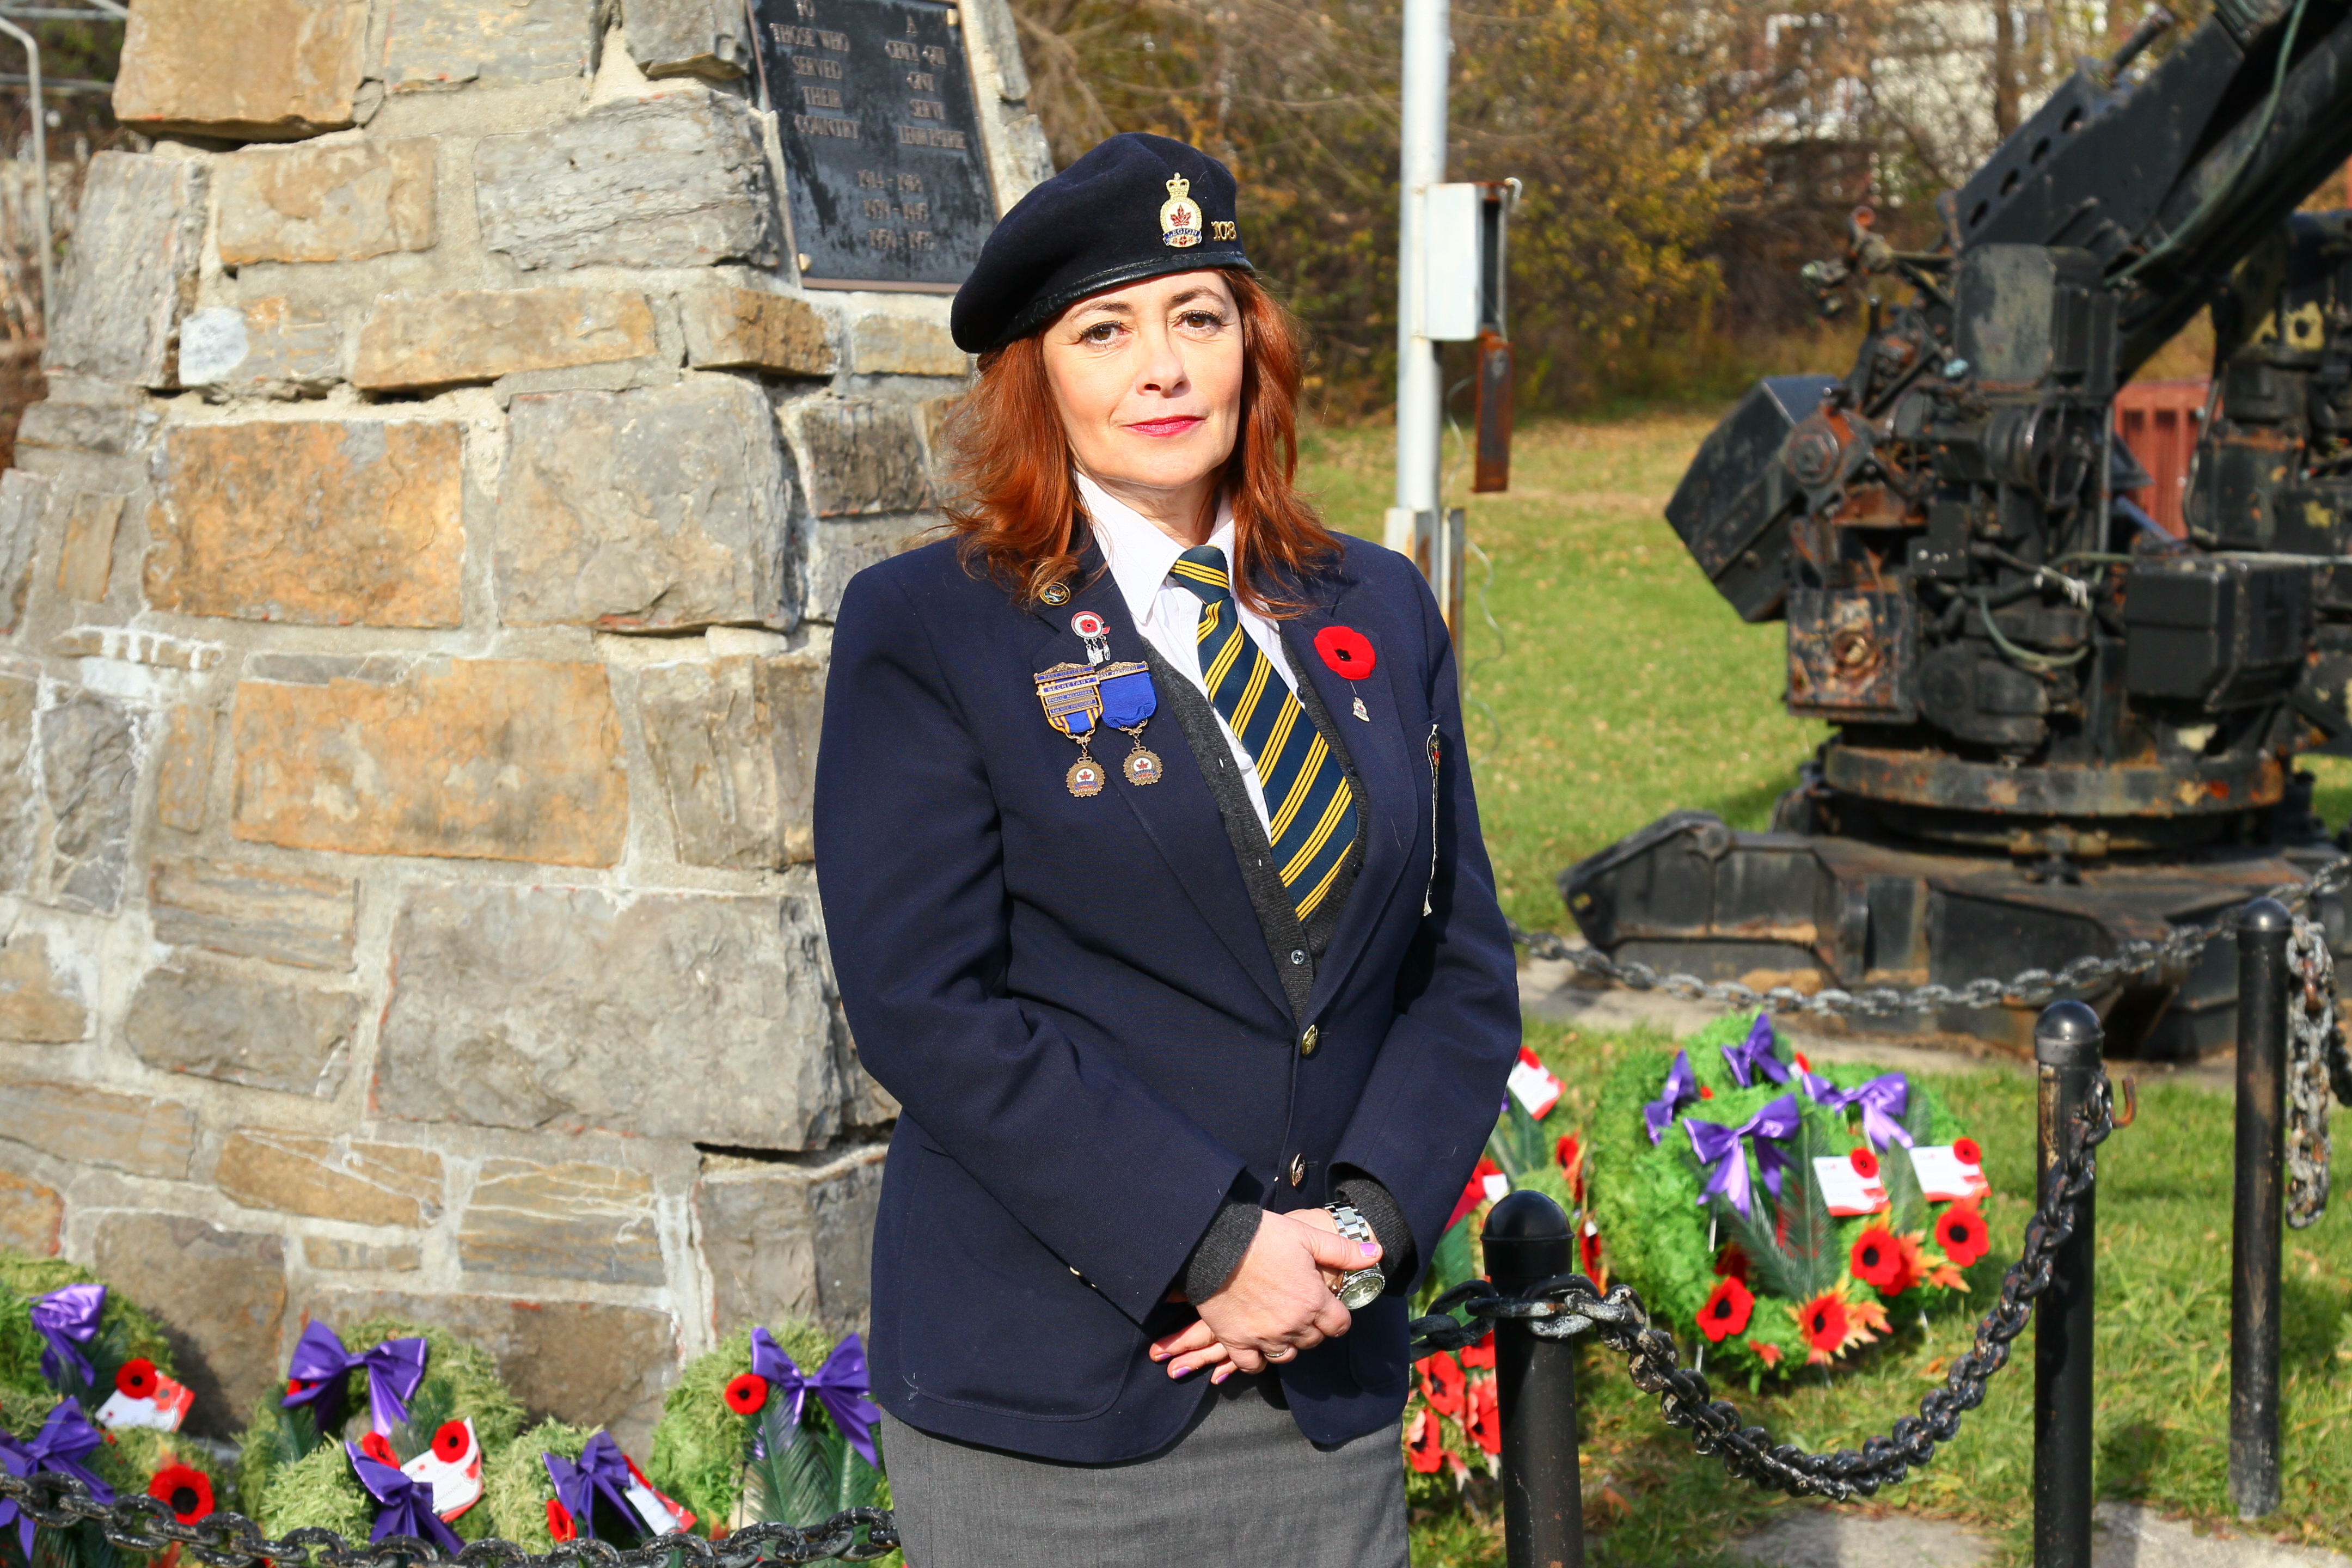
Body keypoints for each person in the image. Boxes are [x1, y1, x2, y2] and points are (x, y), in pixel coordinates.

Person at [812, 132, 1520, 1568]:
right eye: (1106, 329)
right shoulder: (937, 628)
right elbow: (927, 1005)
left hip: (1323, 1369)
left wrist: (1364, 1231)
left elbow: (1459, 968)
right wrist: (1211, 1243)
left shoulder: (1375, 606)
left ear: (1251, 351)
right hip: (1059, 1394)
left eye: (1199, 317)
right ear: (1038, 375)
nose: (1163, 368)